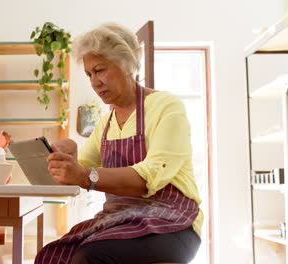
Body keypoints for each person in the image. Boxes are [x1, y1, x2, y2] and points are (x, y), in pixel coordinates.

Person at [35, 23, 202, 264]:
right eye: (89, 74)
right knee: (52, 255)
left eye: (100, 70)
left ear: (128, 64)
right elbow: (82, 167)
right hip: (123, 220)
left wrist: (83, 175)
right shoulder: (106, 123)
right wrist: (68, 159)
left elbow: (147, 177)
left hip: (173, 224)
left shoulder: (165, 107)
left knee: (90, 257)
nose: (95, 82)